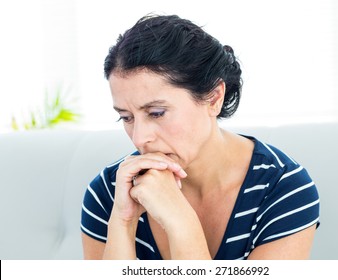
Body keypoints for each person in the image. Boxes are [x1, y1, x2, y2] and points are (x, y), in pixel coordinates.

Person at [80, 14, 320, 260]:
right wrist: (123, 221)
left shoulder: (283, 189)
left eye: (156, 113)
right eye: (126, 117)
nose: (140, 139)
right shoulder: (110, 191)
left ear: (213, 98)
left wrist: (181, 222)